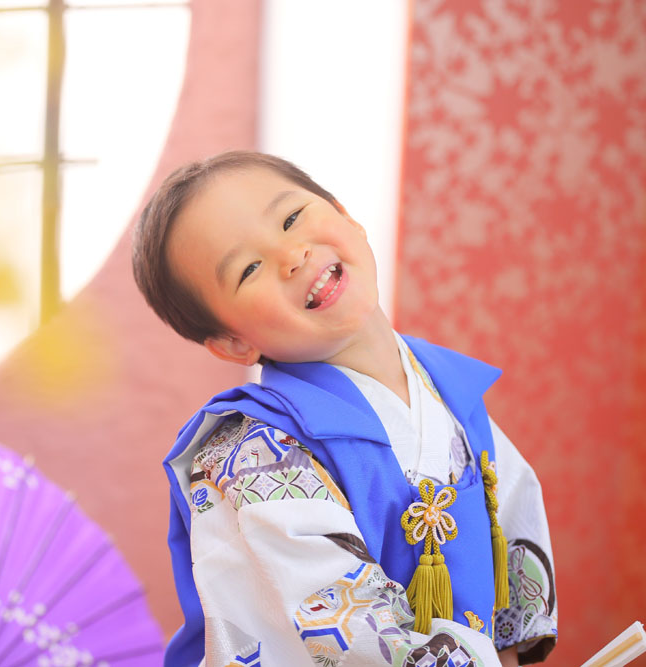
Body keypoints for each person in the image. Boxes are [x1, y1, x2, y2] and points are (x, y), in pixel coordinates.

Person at [132, 151, 557, 667]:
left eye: (291, 218)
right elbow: (338, 629)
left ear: (345, 214)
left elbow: (512, 526)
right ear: (232, 343)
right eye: (249, 269)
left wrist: (507, 652)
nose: (292, 255)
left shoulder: (448, 385)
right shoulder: (255, 456)